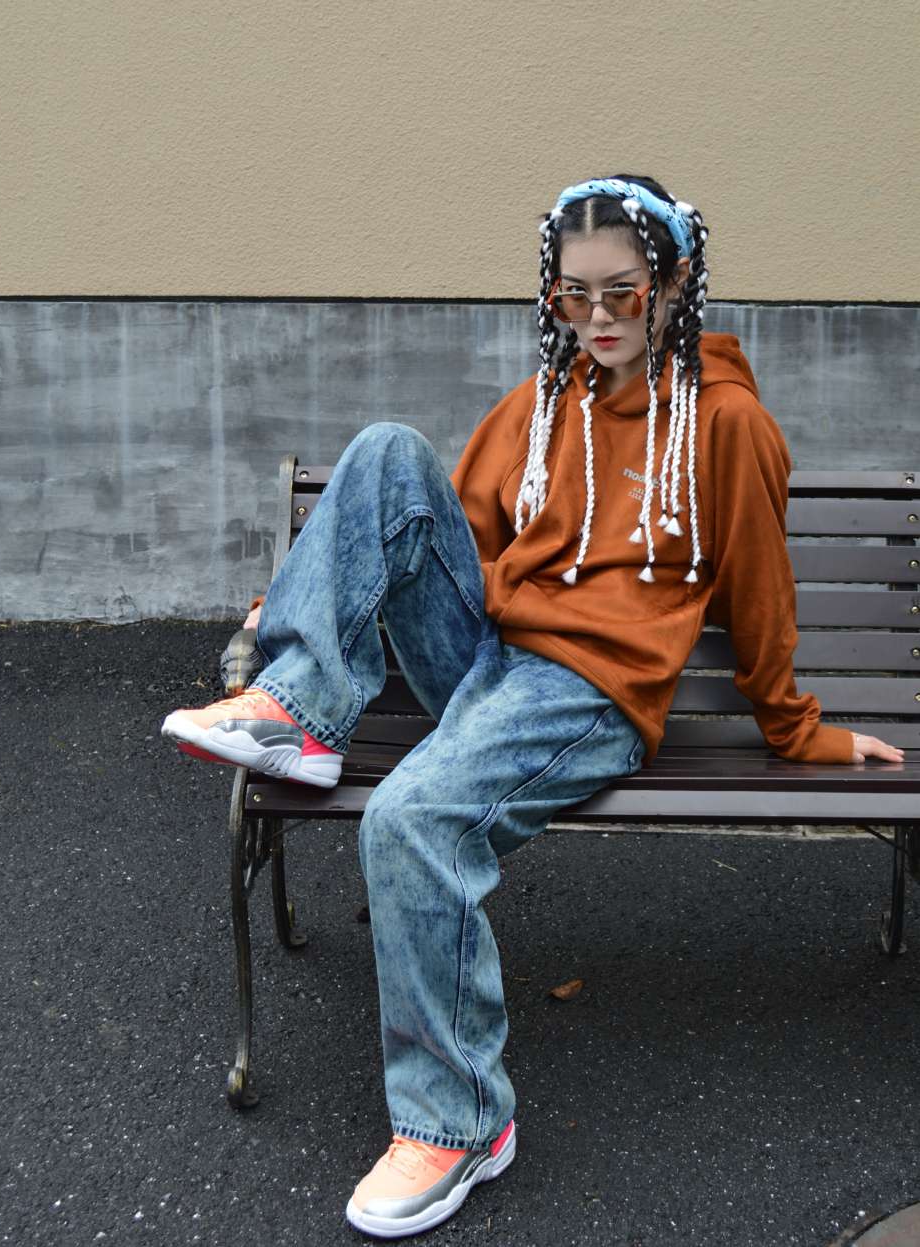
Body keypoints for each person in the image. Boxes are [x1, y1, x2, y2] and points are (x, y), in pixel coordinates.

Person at [161, 173, 904, 1239]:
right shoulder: (543, 404)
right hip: (487, 656)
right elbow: (439, 540)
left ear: (673, 284)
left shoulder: (725, 423)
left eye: (621, 293)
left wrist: (798, 731)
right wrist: (302, 600)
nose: (596, 319)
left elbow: (758, 593)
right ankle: (298, 714)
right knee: (385, 450)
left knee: (410, 819)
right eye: (572, 296)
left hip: (588, 690)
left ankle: (460, 1122)